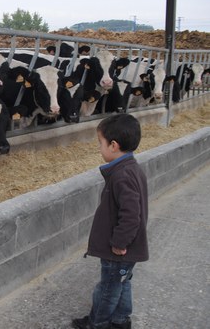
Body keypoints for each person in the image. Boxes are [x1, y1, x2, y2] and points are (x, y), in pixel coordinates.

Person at [72, 113, 149, 329]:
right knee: (122, 283)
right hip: (128, 248)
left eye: (101, 143)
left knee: (108, 287)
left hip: (119, 249)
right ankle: (120, 319)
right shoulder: (131, 168)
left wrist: (119, 243)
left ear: (113, 145)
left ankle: (99, 322)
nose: (100, 148)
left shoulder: (122, 175)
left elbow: (131, 214)